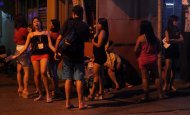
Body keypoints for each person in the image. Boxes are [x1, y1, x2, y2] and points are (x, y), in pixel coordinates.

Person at [8, 17, 55, 103]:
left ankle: (48, 94)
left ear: (40, 23)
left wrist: (57, 52)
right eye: (34, 22)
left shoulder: (46, 33)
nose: (36, 23)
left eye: (37, 21)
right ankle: (40, 94)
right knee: (36, 74)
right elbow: (25, 47)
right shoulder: (31, 34)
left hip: (44, 54)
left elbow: (51, 45)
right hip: (35, 55)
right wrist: (15, 55)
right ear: (33, 25)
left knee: (43, 72)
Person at [54, 5, 90, 109]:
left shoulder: (67, 23)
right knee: (79, 80)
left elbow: (59, 38)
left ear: (73, 13)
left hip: (67, 56)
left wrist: (56, 51)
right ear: (81, 14)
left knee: (68, 79)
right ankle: (81, 103)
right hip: (78, 56)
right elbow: (86, 40)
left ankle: (68, 102)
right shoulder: (84, 26)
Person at [134, 20, 164, 101]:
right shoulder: (155, 38)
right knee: (157, 77)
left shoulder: (141, 38)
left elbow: (135, 50)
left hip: (143, 59)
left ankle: (146, 96)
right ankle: (160, 94)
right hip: (153, 59)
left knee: (145, 78)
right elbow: (159, 49)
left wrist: (138, 57)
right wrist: (154, 53)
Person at [87, 18, 109, 100]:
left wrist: (93, 42)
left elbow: (99, 45)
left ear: (102, 25)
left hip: (100, 56)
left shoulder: (103, 32)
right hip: (98, 55)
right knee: (100, 75)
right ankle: (101, 93)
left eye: (99, 23)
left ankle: (91, 94)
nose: (97, 25)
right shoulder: (100, 32)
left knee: (95, 75)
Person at [163, 15, 184, 91]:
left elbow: (182, 39)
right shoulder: (167, 29)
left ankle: (171, 85)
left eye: (177, 20)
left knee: (173, 69)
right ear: (172, 21)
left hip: (175, 49)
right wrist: (176, 40)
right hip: (169, 50)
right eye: (175, 21)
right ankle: (166, 84)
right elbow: (167, 40)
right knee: (168, 68)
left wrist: (173, 40)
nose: (177, 22)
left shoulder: (177, 29)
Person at [13, 15, 31, 98]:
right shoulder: (23, 30)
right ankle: (25, 90)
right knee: (26, 71)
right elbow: (30, 38)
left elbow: (15, 40)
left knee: (19, 70)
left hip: (17, 49)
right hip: (24, 49)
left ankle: (20, 87)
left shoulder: (16, 30)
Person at [47, 19, 62, 98]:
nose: (49, 25)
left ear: (54, 26)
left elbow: (49, 45)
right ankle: (56, 89)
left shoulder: (50, 34)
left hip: (52, 55)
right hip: (57, 55)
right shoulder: (59, 34)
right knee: (54, 72)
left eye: (51, 24)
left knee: (52, 72)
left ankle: (55, 89)